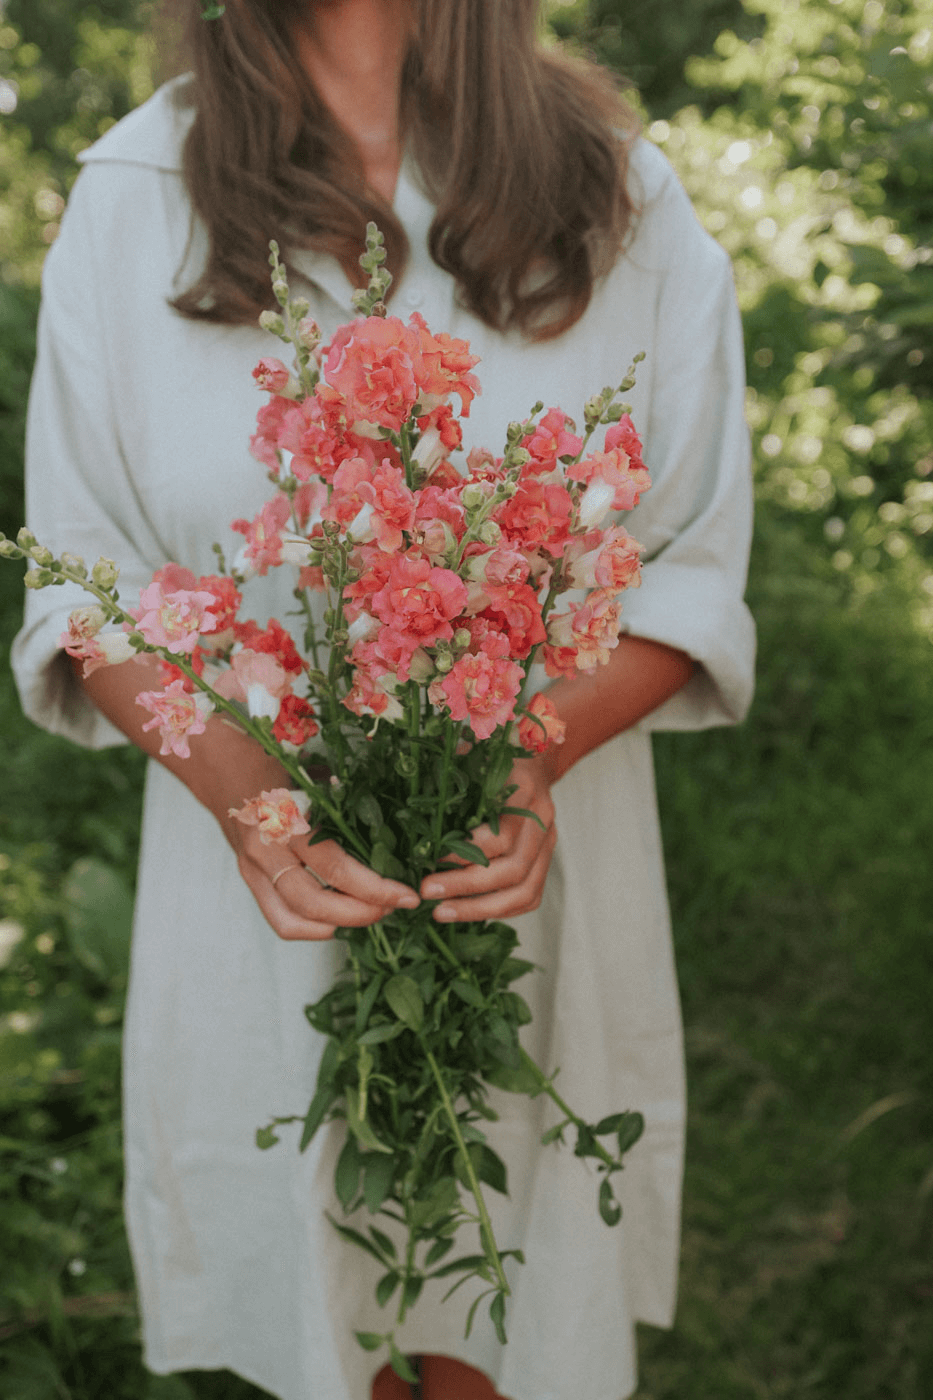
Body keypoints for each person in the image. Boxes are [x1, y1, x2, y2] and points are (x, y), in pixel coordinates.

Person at [12, 1, 755, 1397]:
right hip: (259, 900)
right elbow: (85, 585)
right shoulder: (135, 194)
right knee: (317, 1323)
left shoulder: (617, 193)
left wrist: (525, 760)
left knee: (502, 1310)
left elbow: (688, 569)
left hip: (525, 886)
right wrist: (257, 807)